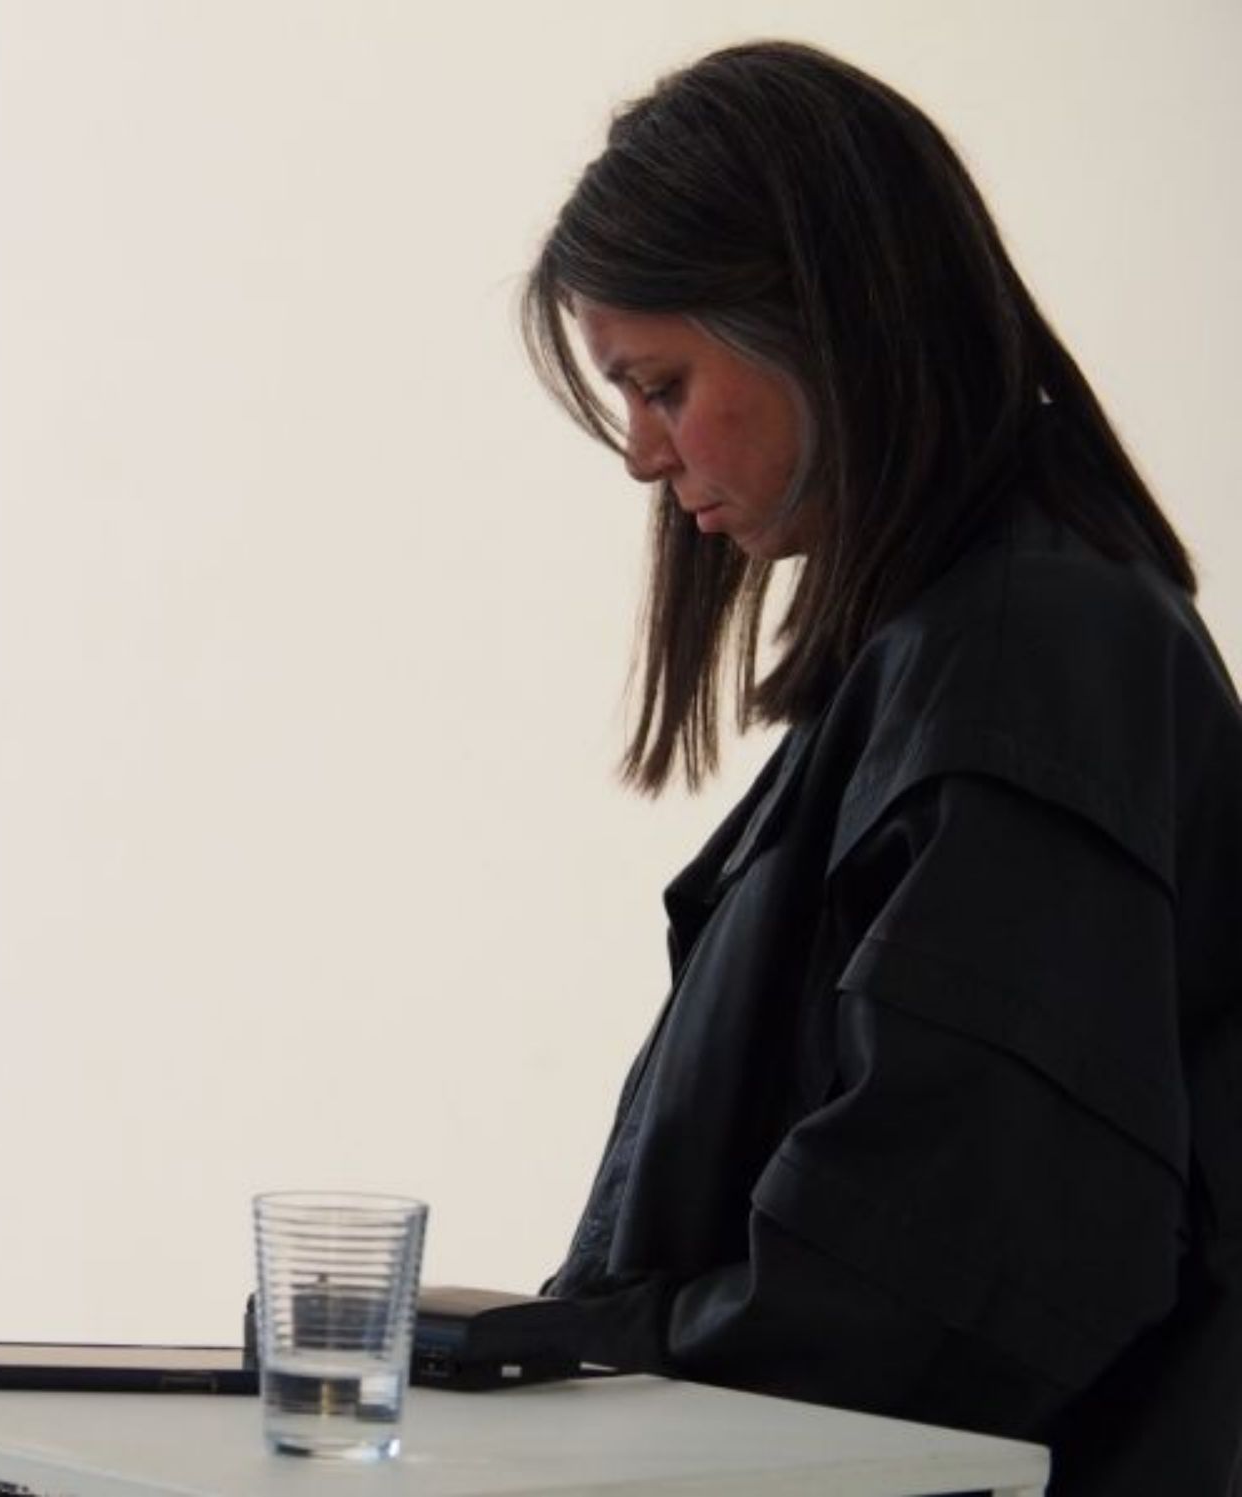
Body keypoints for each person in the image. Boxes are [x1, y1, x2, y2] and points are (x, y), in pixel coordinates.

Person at [522, 41, 1242, 1495]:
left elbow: (950, 1265)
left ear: (823, 323)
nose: (643, 456)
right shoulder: (964, 641)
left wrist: (586, 1350)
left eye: (662, 384)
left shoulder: (1030, 646)